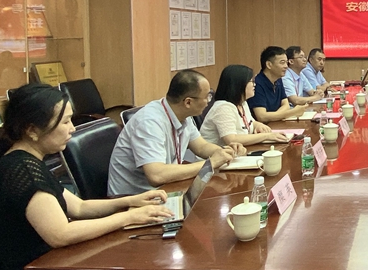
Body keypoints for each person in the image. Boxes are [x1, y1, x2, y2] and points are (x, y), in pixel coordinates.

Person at [0, 83, 174, 270]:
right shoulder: (23, 169)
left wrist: (130, 201)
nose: (72, 129)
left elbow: (79, 206)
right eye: (65, 122)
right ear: (32, 130)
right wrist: (128, 218)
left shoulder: (29, 160)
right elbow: (60, 234)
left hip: (49, 269)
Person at [108, 69, 246, 196]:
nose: (208, 102)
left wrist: (223, 152)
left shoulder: (182, 114)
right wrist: (210, 163)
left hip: (166, 190)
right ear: (188, 102)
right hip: (134, 199)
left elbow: (201, 147)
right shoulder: (149, 122)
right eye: (207, 97)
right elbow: (156, 175)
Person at [200, 64, 289, 147]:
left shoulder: (242, 103)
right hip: (214, 156)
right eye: (251, 81)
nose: (254, 85)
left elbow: (250, 122)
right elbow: (231, 140)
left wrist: (258, 125)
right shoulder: (223, 108)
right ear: (239, 84)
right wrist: (267, 136)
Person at [248, 46, 307, 122]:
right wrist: (292, 112)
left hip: (276, 123)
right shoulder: (257, 84)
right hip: (263, 127)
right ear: (269, 65)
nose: (286, 66)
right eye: (282, 62)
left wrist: (276, 116)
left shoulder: (278, 79)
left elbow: (286, 105)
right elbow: (262, 116)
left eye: (286, 62)